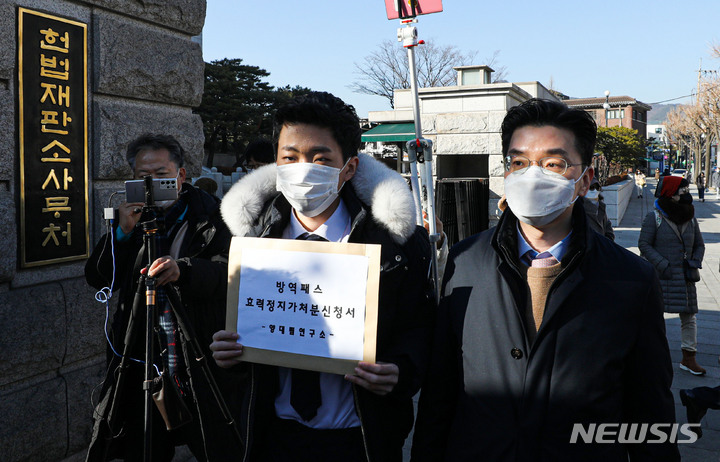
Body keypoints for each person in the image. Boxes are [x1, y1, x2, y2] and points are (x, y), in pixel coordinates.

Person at [411, 99, 678, 462]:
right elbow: (439, 395)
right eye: (519, 162)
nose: (531, 176)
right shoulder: (465, 262)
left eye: (553, 164)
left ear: (584, 180)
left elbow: (651, 412)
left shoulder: (631, 279)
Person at [210, 92, 435, 461]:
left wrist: (401, 370)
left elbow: (420, 326)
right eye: (290, 157)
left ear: (348, 168)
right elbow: (225, 323)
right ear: (276, 164)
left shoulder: (395, 246)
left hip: (360, 439)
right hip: (271, 437)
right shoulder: (249, 240)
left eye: (320, 158)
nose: (303, 168)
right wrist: (224, 351)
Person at [84, 134, 238, 461]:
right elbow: (98, 277)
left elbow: (231, 270)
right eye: (142, 176)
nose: (151, 183)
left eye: (160, 174)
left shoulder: (212, 217)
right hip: (139, 348)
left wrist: (186, 270)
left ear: (181, 175)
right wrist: (121, 234)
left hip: (194, 348)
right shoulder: (131, 218)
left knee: (212, 439)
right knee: (143, 443)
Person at [638, 176, 706, 376]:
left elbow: (700, 244)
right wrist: (662, 264)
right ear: (670, 193)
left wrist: (695, 260)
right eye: (682, 190)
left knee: (689, 317)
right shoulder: (654, 217)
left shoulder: (691, 218)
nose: (686, 194)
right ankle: (653, 356)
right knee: (655, 316)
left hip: (686, 276)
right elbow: (644, 245)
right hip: (662, 276)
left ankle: (689, 358)